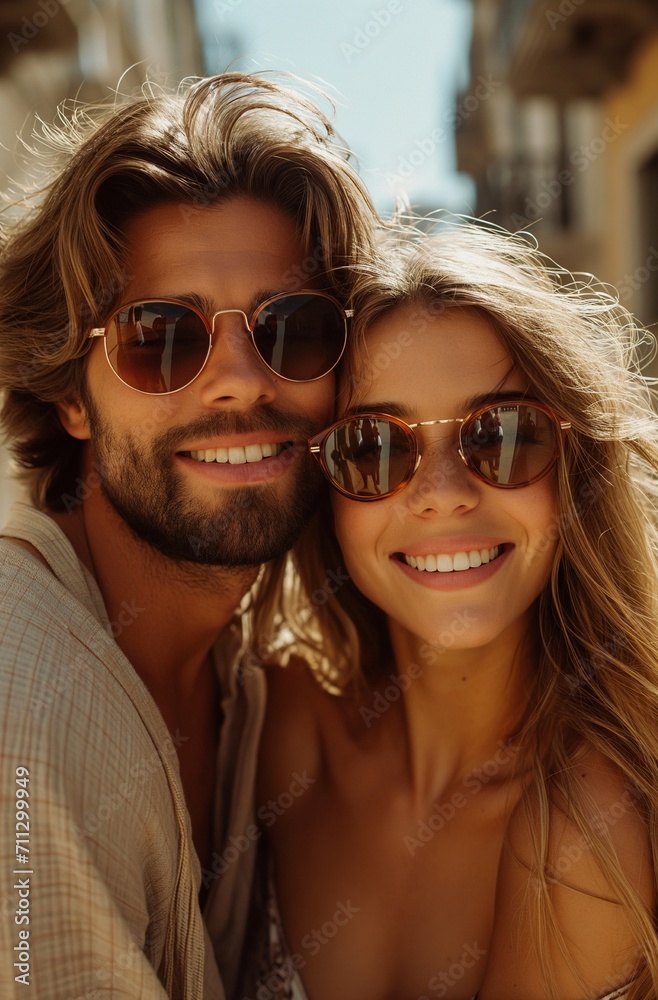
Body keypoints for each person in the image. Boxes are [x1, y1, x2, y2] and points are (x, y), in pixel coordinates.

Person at [0, 71, 379, 998]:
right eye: (161, 336)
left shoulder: (255, 674)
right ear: (67, 394)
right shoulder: (28, 705)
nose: (242, 382)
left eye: (292, 330)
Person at [244, 225, 658, 1000]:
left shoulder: (580, 824)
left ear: (574, 467)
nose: (441, 491)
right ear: (324, 491)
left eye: (502, 434)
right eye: (373, 446)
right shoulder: (282, 730)